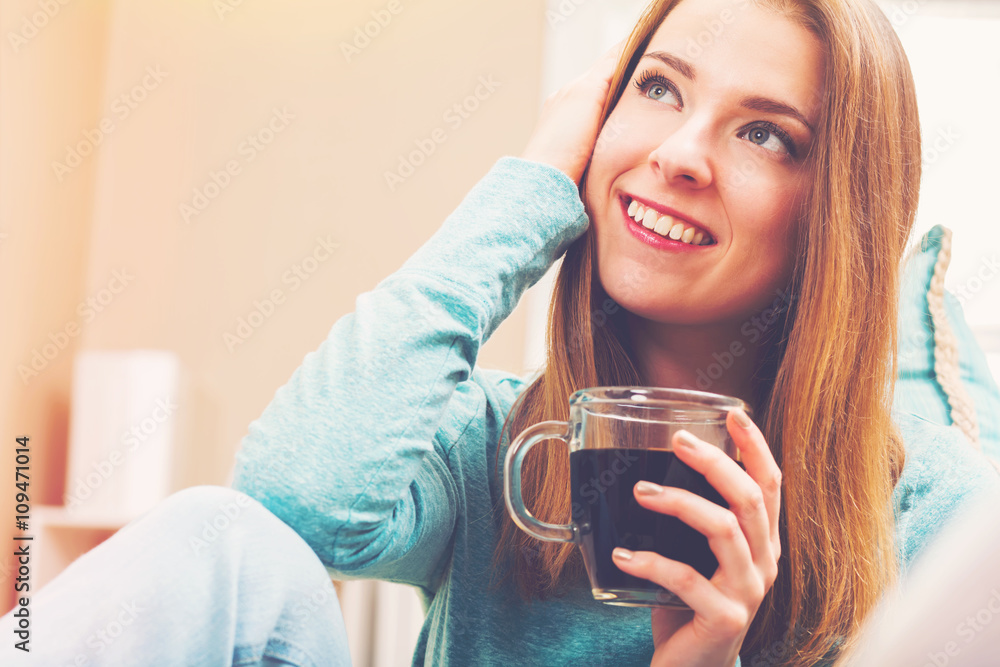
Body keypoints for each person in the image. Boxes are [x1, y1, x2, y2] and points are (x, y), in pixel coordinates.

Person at [1, 0, 997, 665]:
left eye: (764, 133)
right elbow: (292, 498)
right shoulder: (496, 444)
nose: (680, 153)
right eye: (658, 89)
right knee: (214, 539)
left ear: (841, 212)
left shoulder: (927, 508)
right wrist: (531, 185)